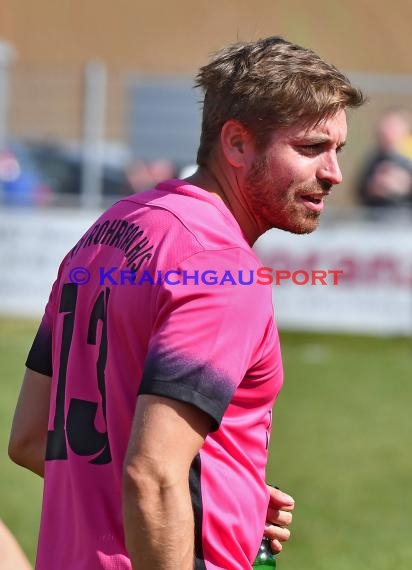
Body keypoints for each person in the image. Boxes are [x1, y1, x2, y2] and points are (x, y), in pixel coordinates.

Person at [8, 36, 364, 569]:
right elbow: (151, 475)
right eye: (312, 148)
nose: (334, 172)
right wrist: (169, 504)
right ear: (238, 144)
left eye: (339, 150)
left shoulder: (108, 231)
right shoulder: (221, 266)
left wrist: (226, 501)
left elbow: (31, 438)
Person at [357, 107, 412, 210]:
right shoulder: (374, 160)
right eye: (384, 128)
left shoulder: (408, 160)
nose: (386, 132)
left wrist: (405, 185)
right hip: (375, 217)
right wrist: (373, 186)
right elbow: (359, 189)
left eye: (392, 128)